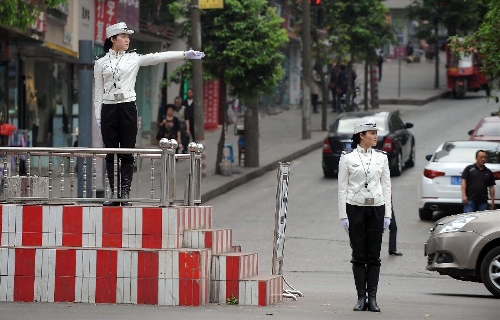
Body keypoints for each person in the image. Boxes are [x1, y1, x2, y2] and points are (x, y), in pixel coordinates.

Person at [94, 22, 204, 206]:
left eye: (128, 36)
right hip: (108, 108)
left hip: (128, 106)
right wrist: (99, 116)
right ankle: (114, 194)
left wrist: (184, 54)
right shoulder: (100, 62)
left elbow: (159, 57)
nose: (127, 39)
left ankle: (125, 193)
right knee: (111, 153)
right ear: (112, 39)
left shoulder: (134, 58)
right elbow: (98, 92)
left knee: (127, 152)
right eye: (123, 36)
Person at [338, 118, 392, 312]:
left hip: (377, 208)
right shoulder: (347, 158)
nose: (376, 136)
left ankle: (374, 298)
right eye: (372, 133)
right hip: (355, 208)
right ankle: (361, 297)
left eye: (376, 133)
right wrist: (343, 215)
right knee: (359, 255)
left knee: (374, 255)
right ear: (362, 136)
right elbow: (342, 188)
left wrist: (388, 215)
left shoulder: (382, 157)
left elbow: (386, 187)